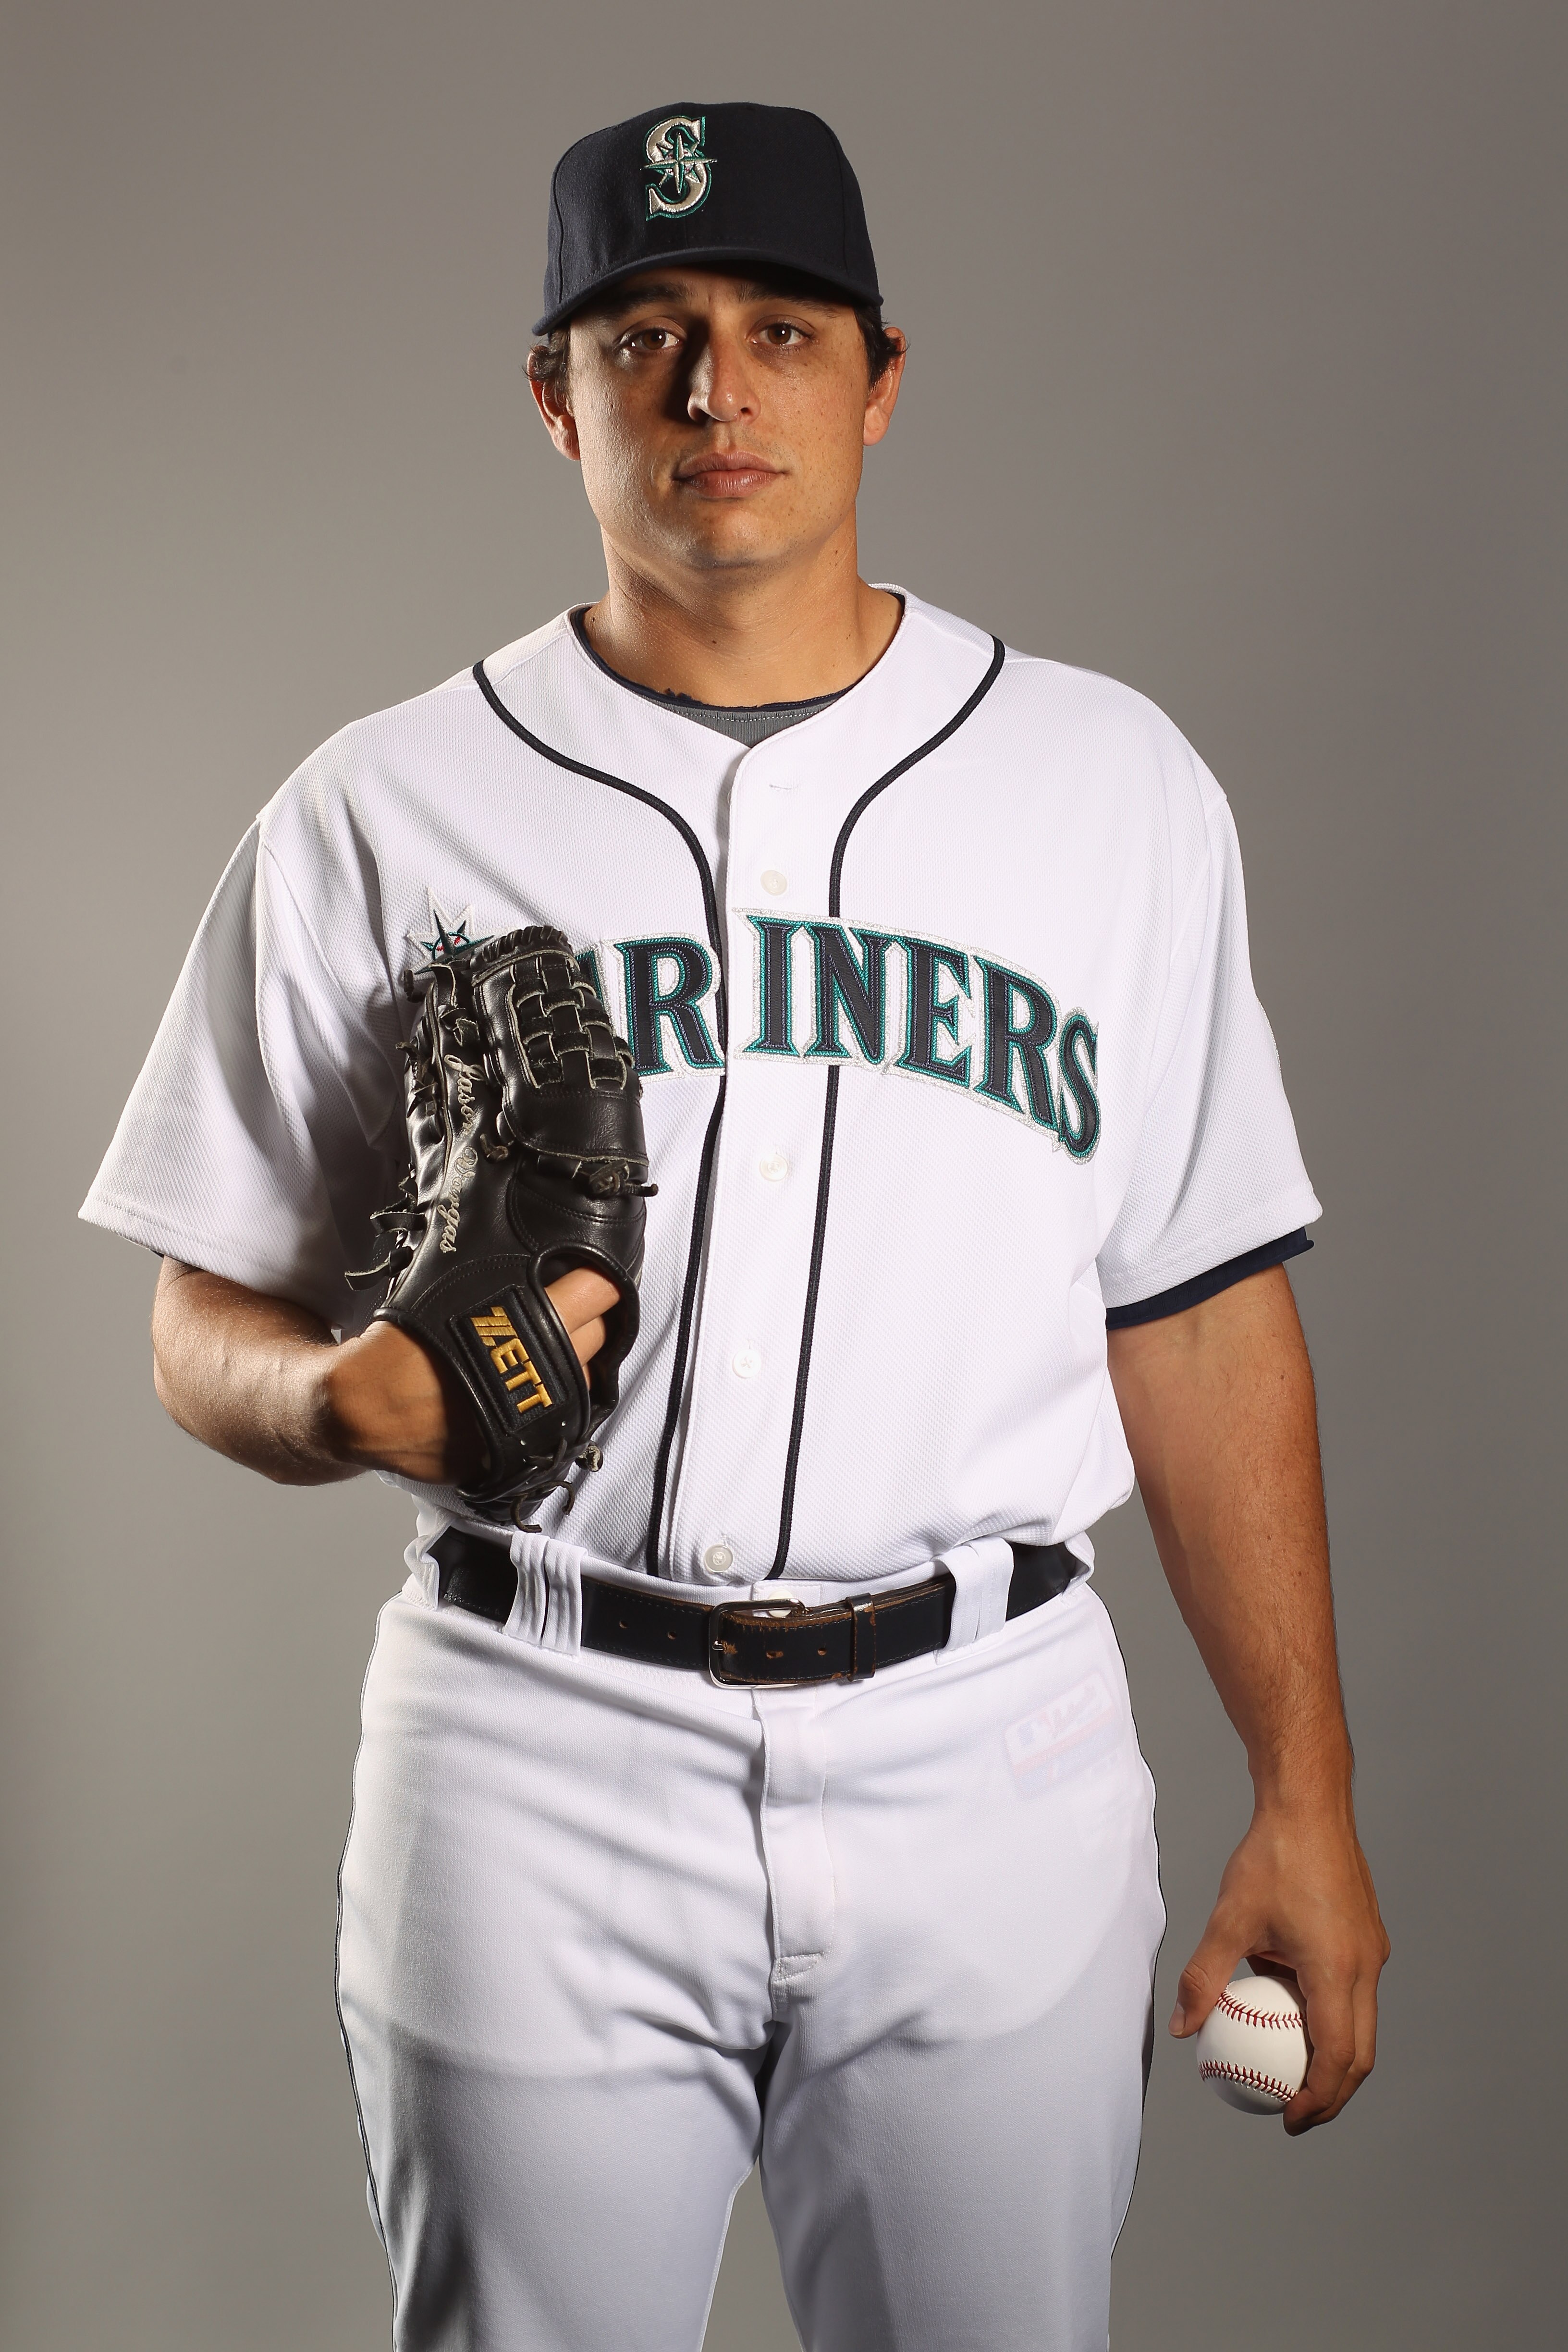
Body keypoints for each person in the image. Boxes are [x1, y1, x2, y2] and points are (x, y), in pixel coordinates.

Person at [83, 101, 1388, 2352]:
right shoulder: (381, 809)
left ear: (881, 377)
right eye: (647, 336)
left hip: (994, 1745)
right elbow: (198, 1309)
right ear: (552, 394)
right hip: (533, 1730)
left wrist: (1310, 1793)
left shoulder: (1111, 787)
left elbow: (1194, 1310)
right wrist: (330, 1396)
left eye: (780, 329)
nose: (716, 392)